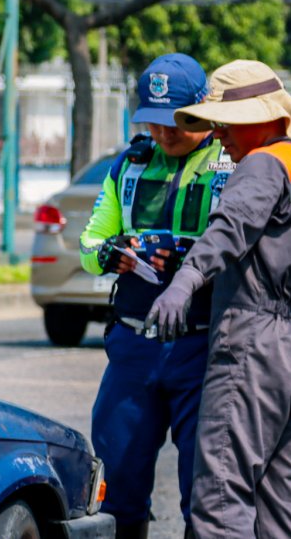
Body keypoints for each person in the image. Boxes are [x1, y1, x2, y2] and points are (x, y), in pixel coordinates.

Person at [144, 59, 291, 538]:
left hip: (256, 347)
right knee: (285, 509)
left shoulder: (263, 164)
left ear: (267, 118)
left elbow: (229, 227)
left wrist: (185, 279)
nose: (219, 136)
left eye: (229, 124)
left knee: (220, 502)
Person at [78, 53, 232, 539]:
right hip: (134, 348)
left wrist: (191, 256)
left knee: (205, 491)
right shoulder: (130, 165)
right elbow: (88, 244)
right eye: (156, 122)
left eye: (179, 123)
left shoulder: (231, 164)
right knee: (118, 482)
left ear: (204, 112)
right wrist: (111, 253)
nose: (166, 134)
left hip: (200, 348)